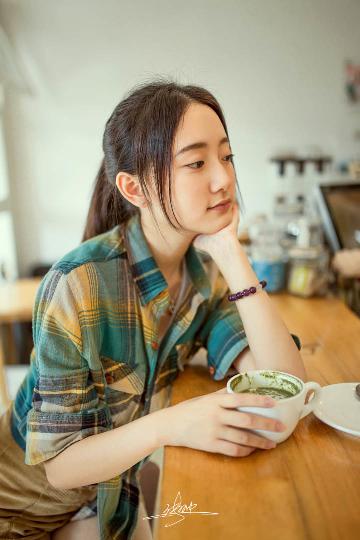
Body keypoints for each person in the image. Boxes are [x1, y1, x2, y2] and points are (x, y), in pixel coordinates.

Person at [0, 79, 305, 540]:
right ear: (134, 188)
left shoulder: (201, 276)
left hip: (101, 504)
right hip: (19, 517)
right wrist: (175, 423)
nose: (223, 179)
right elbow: (61, 467)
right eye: (197, 162)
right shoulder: (78, 284)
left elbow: (286, 381)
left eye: (226, 156)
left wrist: (231, 254)